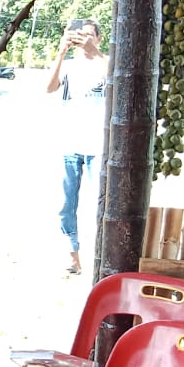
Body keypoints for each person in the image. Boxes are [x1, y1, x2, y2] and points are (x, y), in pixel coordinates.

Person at [43, 19, 109, 275]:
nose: (84, 41)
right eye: (79, 36)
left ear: (99, 39)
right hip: (69, 144)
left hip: (98, 146)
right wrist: (60, 52)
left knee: (99, 204)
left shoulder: (106, 63)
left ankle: (100, 255)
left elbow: (118, 79)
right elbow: (48, 87)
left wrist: (97, 53)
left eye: (89, 36)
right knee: (65, 204)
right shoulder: (69, 66)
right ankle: (72, 255)